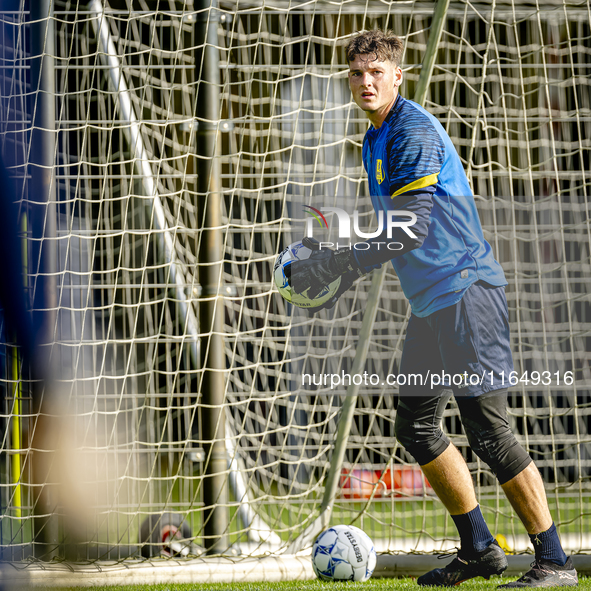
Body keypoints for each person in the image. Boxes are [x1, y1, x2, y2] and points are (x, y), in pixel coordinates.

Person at [286, 29, 578, 588]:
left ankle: (555, 562)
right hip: (432, 304)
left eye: (377, 72)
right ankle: (479, 550)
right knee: (416, 426)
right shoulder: (375, 139)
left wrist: (342, 264)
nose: (366, 81)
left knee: (489, 432)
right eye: (357, 73)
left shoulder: (412, 129)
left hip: (467, 293)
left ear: (399, 76)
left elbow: (414, 226)